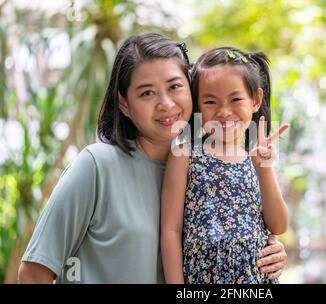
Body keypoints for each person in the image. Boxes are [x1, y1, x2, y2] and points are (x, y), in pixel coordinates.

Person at [17, 33, 287, 283]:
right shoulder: (96, 166)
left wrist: (269, 251)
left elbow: (244, 230)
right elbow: (33, 272)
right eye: (147, 93)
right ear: (124, 103)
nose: (166, 104)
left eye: (175, 87)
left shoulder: (209, 169)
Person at [161, 47, 289, 284]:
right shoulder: (185, 154)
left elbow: (279, 225)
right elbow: (171, 231)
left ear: (255, 100)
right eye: (210, 101)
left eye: (235, 99)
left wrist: (265, 169)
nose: (223, 112)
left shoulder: (257, 157)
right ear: (197, 106)